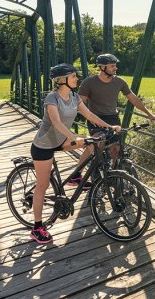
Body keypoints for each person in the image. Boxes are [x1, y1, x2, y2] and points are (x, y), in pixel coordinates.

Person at [29, 62, 120, 244]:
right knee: (43, 185)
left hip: (61, 141)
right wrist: (72, 136)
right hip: (44, 146)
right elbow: (56, 122)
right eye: (73, 76)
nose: (77, 79)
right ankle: (37, 227)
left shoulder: (74, 96)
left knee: (92, 143)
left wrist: (109, 126)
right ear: (62, 80)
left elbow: (89, 115)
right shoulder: (52, 98)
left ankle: (74, 176)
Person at [75, 53, 155, 178]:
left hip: (113, 117)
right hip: (96, 118)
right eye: (112, 66)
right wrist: (89, 117)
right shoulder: (89, 82)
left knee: (116, 148)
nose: (115, 68)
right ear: (102, 67)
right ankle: (80, 174)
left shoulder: (119, 82)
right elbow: (80, 103)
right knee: (98, 143)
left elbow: (133, 99)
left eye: (115, 66)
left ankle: (113, 175)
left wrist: (149, 113)